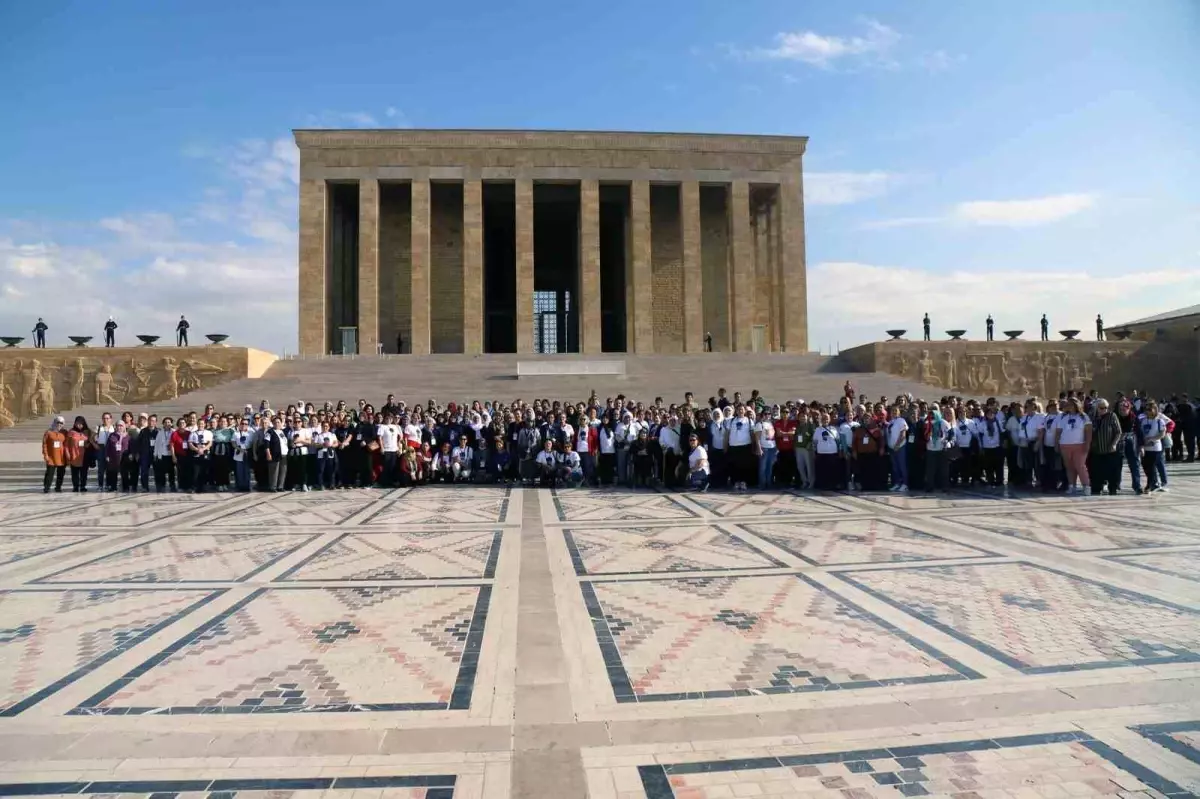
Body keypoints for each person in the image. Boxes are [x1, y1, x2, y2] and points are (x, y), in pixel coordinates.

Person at [1056, 397, 1092, 495]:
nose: (1068, 406)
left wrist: (1087, 444)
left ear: (1076, 405)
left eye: (1071, 404)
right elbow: (1058, 431)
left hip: (1079, 445)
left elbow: (1088, 432)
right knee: (1069, 467)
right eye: (1068, 404)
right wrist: (1057, 443)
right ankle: (1072, 486)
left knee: (1080, 466)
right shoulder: (1063, 417)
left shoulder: (1083, 417)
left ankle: (1086, 486)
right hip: (1065, 445)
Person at [1089, 399, 1122, 495]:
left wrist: (1114, 444)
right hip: (1096, 449)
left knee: (1111, 471)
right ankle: (1096, 488)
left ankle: (1112, 488)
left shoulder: (1112, 416)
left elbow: (1118, 432)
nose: (1104, 410)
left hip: (1109, 449)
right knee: (1096, 471)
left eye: (1106, 408)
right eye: (1102, 408)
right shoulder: (1092, 418)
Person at [1139, 401, 1169, 493]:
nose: (1147, 411)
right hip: (1145, 448)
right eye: (1146, 409)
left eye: (1149, 409)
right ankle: (1154, 483)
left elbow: (1162, 434)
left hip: (1155, 448)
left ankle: (1150, 485)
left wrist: (1152, 438)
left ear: (1155, 410)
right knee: (1145, 466)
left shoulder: (1159, 421)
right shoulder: (1143, 420)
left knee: (1152, 467)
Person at [42, 416, 68, 493]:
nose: (59, 424)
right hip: (51, 456)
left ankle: (58, 487)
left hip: (62, 457)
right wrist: (45, 455)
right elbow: (44, 444)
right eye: (58, 422)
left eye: (61, 423)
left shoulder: (65, 432)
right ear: (54, 422)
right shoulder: (48, 432)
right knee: (49, 473)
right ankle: (47, 487)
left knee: (61, 474)